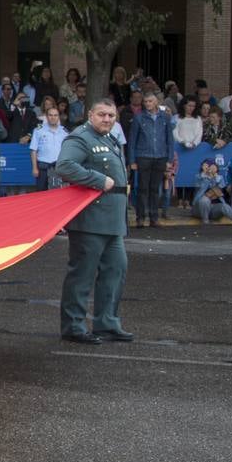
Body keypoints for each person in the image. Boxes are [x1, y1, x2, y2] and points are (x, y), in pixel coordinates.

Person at [54, 100, 133, 345]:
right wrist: (98, 180)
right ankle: (73, 326)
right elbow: (65, 167)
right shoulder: (80, 138)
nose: (107, 119)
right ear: (91, 114)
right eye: (102, 114)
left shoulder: (111, 139)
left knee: (116, 270)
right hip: (90, 220)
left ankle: (107, 323)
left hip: (113, 220)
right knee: (82, 275)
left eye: (111, 115)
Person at [126, 92, 174, 227]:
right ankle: (140, 217)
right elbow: (132, 140)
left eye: (150, 101)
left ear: (156, 102)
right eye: (146, 101)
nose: (148, 104)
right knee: (142, 188)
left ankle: (154, 217)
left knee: (155, 188)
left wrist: (169, 158)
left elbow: (169, 139)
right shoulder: (138, 118)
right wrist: (132, 160)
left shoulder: (165, 118)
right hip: (143, 156)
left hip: (160, 156)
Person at [192, 158, 232, 224]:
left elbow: (219, 191)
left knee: (224, 206)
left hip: (213, 209)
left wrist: (213, 178)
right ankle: (205, 221)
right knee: (205, 199)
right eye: (206, 166)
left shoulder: (219, 178)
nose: (209, 168)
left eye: (212, 166)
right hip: (199, 209)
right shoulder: (198, 177)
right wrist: (206, 176)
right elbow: (201, 188)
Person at [29, 105, 68, 191]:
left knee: (58, 193)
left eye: (55, 115)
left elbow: (68, 151)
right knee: (41, 193)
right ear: (47, 117)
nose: (53, 117)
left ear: (59, 117)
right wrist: (34, 168)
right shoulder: (38, 130)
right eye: (50, 115)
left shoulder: (64, 132)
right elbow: (33, 150)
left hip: (58, 167)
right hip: (43, 167)